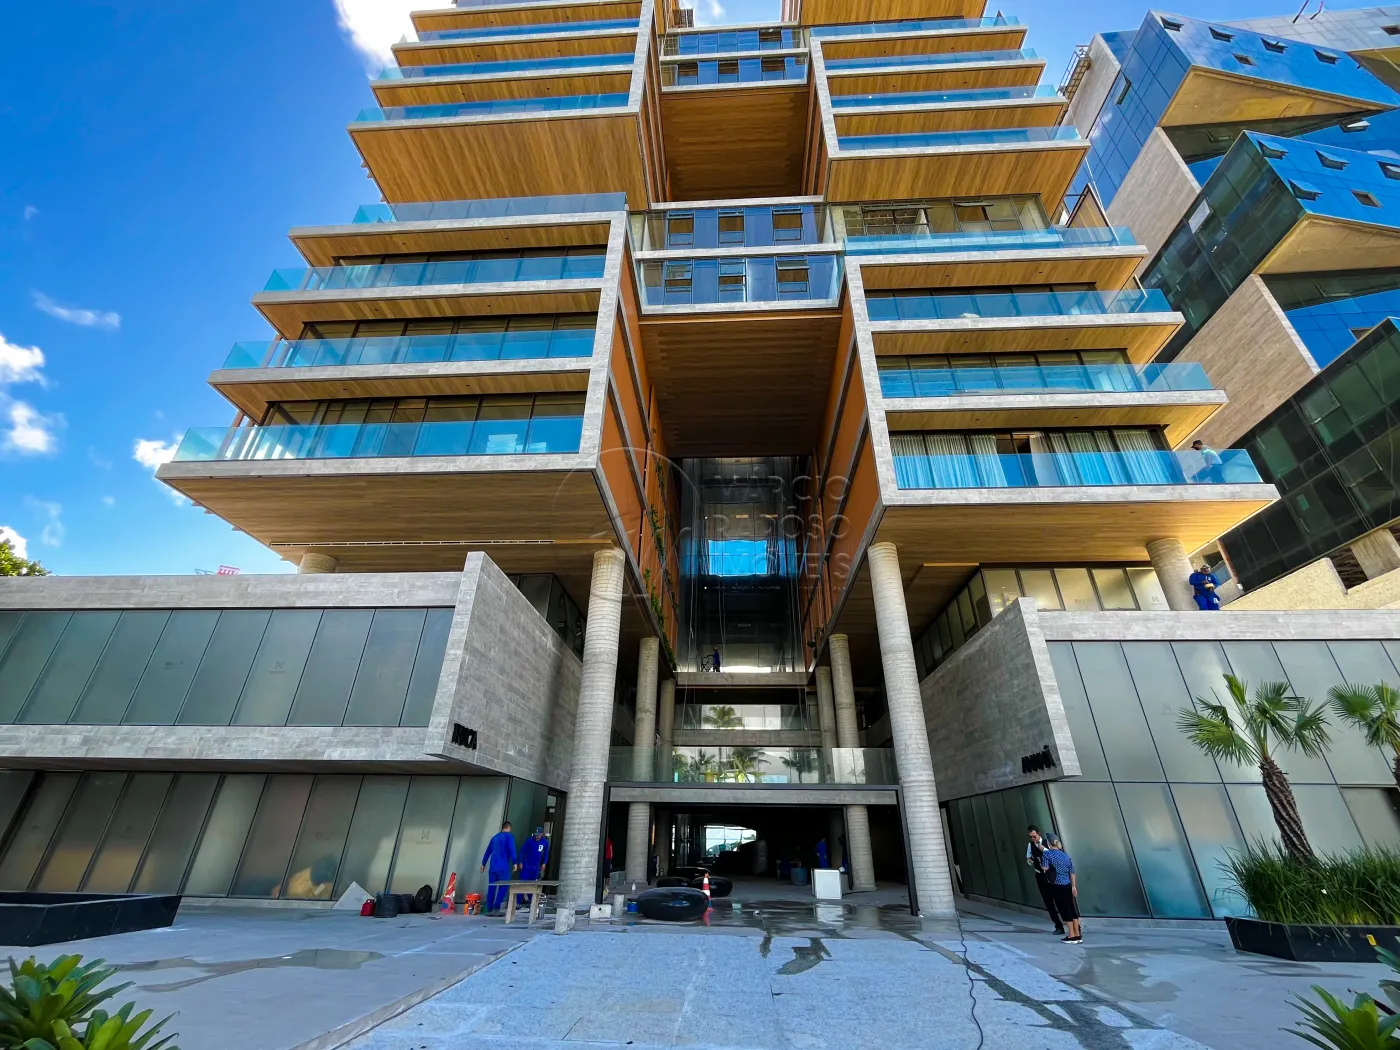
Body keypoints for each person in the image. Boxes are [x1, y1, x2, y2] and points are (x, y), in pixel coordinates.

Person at [1040, 835, 1081, 944]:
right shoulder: (1065, 855)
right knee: (1072, 909)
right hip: (1068, 885)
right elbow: (1072, 872)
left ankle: (1071, 935)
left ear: (1049, 844)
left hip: (1057, 885)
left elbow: (1045, 868)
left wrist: (1042, 862)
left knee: (1064, 909)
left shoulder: (1047, 854)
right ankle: (1077, 935)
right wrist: (1073, 886)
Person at [1025, 826, 1064, 935]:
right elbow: (1028, 858)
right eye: (1031, 837)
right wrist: (1030, 861)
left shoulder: (1048, 843)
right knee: (1048, 902)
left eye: (1034, 836)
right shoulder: (1030, 845)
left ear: (1039, 834)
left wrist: (1044, 850)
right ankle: (1058, 926)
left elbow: (1057, 855)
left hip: (1052, 875)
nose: (1033, 839)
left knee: (1060, 900)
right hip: (1040, 875)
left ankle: (1070, 924)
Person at [480, 820, 519, 914]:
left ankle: (489, 908)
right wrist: (515, 862)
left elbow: (488, 852)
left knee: (492, 887)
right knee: (504, 887)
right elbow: (512, 850)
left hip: (493, 868)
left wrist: (483, 864)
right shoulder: (509, 836)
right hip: (503, 868)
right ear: (508, 828)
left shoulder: (494, 838)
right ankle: (496, 907)